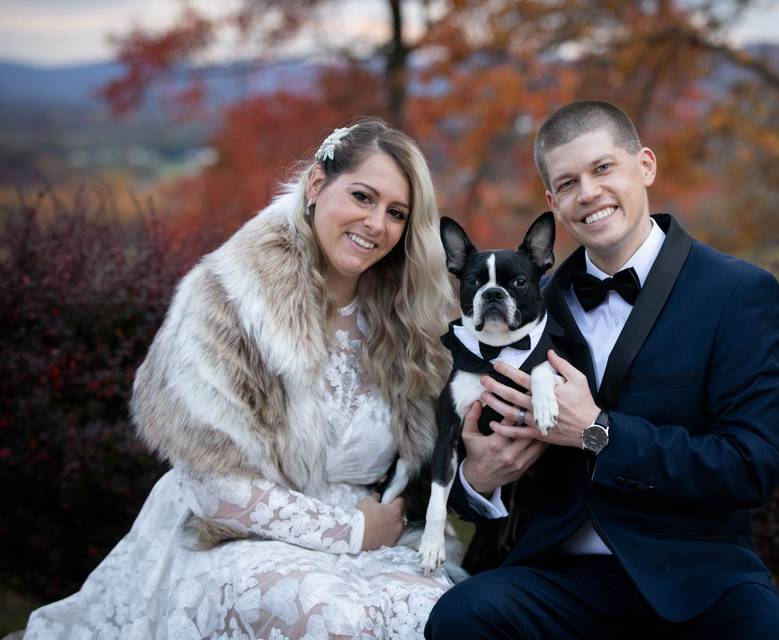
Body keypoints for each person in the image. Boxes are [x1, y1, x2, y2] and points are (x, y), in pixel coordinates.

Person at [24, 119, 458, 640]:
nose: (375, 224)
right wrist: (352, 532)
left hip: (376, 532)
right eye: (362, 197)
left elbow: (432, 456)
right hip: (231, 533)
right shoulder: (229, 299)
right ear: (317, 186)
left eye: (396, 213)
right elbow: (211, 483)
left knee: (440, 615)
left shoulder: (409, 320)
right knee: (330, 621)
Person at [426, 101, 779, 638]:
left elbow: (753, 465)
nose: (588, 193)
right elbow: (474, 450)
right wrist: (479, 480)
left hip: (698, 574)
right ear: (552, 203)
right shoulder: (530, 305)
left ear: (645, 166)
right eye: (567, 183)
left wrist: (598, 433)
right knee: (459, 618)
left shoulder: (737, 294)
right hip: (558, 575)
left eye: (603, 168)